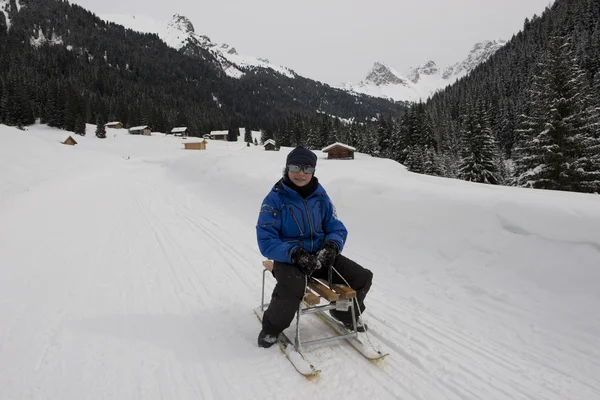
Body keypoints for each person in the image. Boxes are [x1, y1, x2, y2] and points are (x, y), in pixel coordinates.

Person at [255, 146, 373, 348]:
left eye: (307, 168)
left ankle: (343, 313)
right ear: (286, 168)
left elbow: (336, 226)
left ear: (313, 171)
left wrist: (332, 246)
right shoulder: (274, 199)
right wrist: (294, 254)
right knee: (293, 287)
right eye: (295, 167)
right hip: (290, 259)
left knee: (362, 277)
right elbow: (266, 240)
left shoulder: (321, 197)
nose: (301, 173)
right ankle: (271, 328)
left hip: (319, 256)